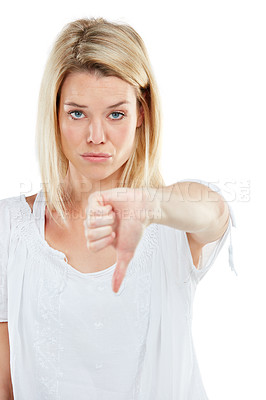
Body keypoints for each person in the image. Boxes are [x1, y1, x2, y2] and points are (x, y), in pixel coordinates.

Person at [0, 17, 237, 400]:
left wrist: (147, 205)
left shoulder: (170, 222)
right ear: (55, 114)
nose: (96, 135)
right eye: (77, 113)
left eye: (116, 114)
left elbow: (214, 212)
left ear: (141, 113)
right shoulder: (10, 229)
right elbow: (5, 384)